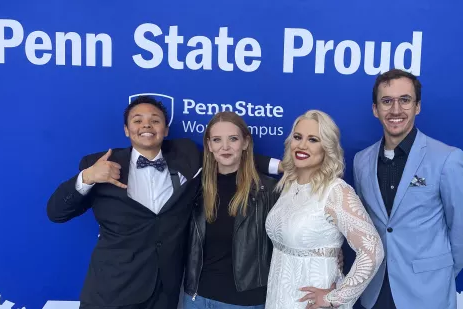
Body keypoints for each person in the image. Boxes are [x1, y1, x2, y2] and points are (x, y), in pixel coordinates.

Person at [46, 96, 277, 309]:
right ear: (127, 130)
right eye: (138, 120)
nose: (146, 125)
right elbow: (57, 212)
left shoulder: (186, 154)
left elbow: (229, 153)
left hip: (164, 296)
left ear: (165, 129)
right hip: (111, 292)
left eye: (154, 120)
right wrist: (87, 177)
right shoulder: (100, 163)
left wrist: (282, 166)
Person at [353, 69, 463, 309]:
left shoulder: (447, 159)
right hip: (375, 291)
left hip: (427, 293)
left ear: (417, 106)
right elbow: (365, 226)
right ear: (375, 109)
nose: (396, 110)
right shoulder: (361, 161)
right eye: (387, 101)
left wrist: (440, 274)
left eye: (405, 100)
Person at [264, 110, 384, 309]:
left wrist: (334, 298)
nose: (302, 145)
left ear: (326, 147)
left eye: (313, 140)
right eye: (297, 137)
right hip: (279, 296)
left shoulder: (336, 191)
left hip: (312, 302)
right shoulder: (289, 184)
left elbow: (372, 251)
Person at [183, 111, 280, 309]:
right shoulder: (196, 188)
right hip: (197, 297)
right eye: (217, 140)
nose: (225, 147)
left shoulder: (268, 190)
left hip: (244, 301)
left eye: (233, 139)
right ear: (209, 145)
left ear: (245, 143)